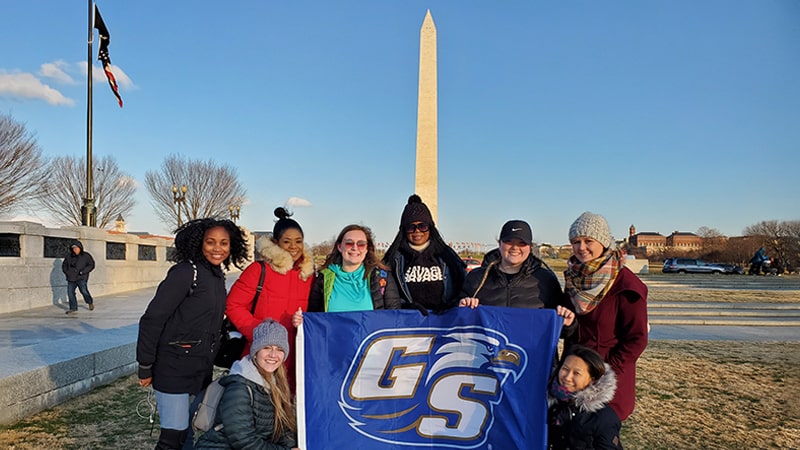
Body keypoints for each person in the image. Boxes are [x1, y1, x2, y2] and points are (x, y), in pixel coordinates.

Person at [136, 218, 249, 450]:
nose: (217, 248)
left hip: (200, 370)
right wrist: (145, 364)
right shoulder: (186, 272)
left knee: (187, 433)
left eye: (224, 243)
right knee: (172, 438)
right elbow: (152, 319)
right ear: (199, 243)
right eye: (210, 242)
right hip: (173, 367)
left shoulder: (217, 275)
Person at [563, 211, 648, 422]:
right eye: (576, 242)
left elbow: (637, 339)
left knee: (599, 435)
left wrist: (604, 373)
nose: (581, 247)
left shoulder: (625, 284)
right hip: (574, 378)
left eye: (588, 241)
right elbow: (571, 330)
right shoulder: (574, 278)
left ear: (603, 242)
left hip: (608, 382)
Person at [226, 207, 314, 391]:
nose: (294, 246)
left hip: (295, 354)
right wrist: (258, 332)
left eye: (298, 241)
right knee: (260, 399)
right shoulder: (259, 270)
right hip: (263, 352)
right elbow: (233, 305)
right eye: (287, 241)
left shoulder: (308, 275)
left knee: (288, 400)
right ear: (275, 243)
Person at [195, 319, 299, 450]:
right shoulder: (239, 387)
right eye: (266, 348)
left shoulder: (277, 384)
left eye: (279, 349)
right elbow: (243, 441)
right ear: (255, 352)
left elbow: (283, 431)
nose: (273, 355)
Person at [458, 220, 575, 333]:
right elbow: (457, 322)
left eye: (521, 243)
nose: (514, 247)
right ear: (499, 244)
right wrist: (462, 308)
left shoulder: (547, 280)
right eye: (509, 241)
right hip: (486, 346)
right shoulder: (476, 278)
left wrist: (568, 324)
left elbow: (561, 329)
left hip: (530, 347)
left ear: (530, 247)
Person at [293, 224, 401, 326]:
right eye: (349, 243)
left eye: (361, 244)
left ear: (367, 249)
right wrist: (301, 321)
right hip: (334, 339)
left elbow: (394, 317)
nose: (355, 248)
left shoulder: (382, 277)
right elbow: (313, 317)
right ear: (339, 247)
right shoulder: (323, 278)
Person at [382, 194, 466, 313]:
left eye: (422, 226)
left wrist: (451, 305)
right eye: (411, 227)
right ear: (404, 230)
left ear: (430, 227)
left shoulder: (447, 255)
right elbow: (387, 295)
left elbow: (464, 287)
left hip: (443, 319)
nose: (417, 231)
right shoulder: (394, 259)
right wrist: (407, 306)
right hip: (409, 320)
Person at [547, 345, 622, 450]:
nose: (567, 377)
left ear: (592, 379)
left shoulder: (603, 418)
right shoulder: (548, 403)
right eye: (565, 369)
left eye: (576, 373)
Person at [62, 239, 95, 314]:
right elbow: (64, 266)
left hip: (81, 277)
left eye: (76, 248)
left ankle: (89, 302)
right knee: (70, 292)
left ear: (80, 248)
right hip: (71, 278)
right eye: (73, 248)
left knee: (84, 291)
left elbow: (91, 265)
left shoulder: (86, 256)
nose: (75, 250)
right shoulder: (68, 256)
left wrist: (83, 272)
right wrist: (67, 273)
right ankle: (73, 308)